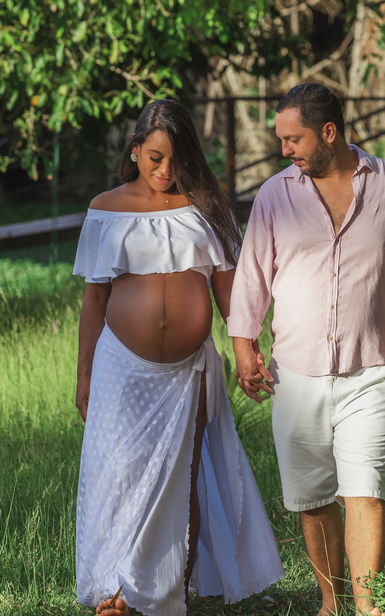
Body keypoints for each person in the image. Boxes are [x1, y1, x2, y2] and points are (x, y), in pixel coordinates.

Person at [228, 83, 385, 616]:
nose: (285, 149)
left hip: (371, 370)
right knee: (313, 501)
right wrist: (243, 349)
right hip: (295, 377)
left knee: (365, 492)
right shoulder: (274, 196)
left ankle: (368, 609)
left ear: (329, 132)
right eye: (281, 139)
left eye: (294, 138)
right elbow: (251, 280)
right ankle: (332, 602)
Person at [72, 99, 284, 616]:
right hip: (122, 367)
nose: (165, 170)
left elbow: (229, 290)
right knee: (121, 472)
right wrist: (84, 376)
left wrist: (246, 351)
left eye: (175, 160)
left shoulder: (205, 207)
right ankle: (116, 589)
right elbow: (95, 298)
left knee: (180, 476)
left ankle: (170, 592)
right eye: (154, 158)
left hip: (188, 372)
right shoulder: (107, 207)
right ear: (136, 151)